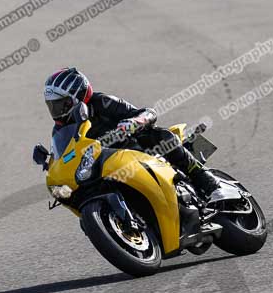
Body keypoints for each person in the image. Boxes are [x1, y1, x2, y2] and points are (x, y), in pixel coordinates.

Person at [43, 67, 222, 198]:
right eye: (52, 105)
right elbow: (66, 155)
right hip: (107, 168)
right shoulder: (61, 129)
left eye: (61, 104)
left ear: (77, 95)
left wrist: (132, 123)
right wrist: (52, 164)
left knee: (162, 137)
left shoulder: (101, 102)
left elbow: (147, 113)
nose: (57, 110)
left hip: (137, 150)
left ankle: (207, 181)